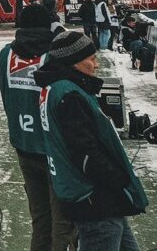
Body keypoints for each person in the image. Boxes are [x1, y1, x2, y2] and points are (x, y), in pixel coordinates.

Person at [37, 31, 148, 251]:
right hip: (96, 199)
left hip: (97, 197)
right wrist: (117, 178)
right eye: (91, 59)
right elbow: (84, 152)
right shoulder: (69, 95)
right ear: (74, 62)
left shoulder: (55, 87)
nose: (96, 65)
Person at [0, 3, 75, 251]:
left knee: (40, 220)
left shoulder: (6, 54)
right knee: (63, 223)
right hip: (54, 149)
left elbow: (5, 96)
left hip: (23, 144)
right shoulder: (53, 55)